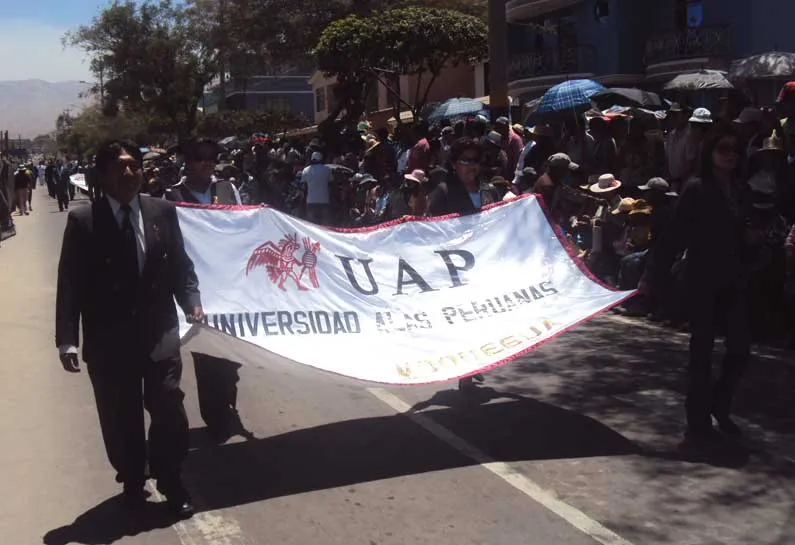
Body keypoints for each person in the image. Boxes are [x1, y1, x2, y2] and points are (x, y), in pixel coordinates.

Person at [56, 140, 203, 518]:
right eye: (120, 167)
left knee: (169, 406)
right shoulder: (84, 221)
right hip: (109, 339)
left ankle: (172, 480)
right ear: (101, 176)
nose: (129, 173)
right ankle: (134, 478)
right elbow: (70, 282)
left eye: (134, 166)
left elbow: (181, 267)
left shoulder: (162, 212)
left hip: (159, 333)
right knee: (120, 417)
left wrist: (192, 302)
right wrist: (68, 340)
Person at [642, 126, 751, 443]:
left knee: (740, 349)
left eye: (736, 149)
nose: (731, 154)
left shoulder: (740, 189)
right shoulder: (697, 189)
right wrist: (653, 275)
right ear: (711, 153)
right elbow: (674, 236)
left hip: (735, 279)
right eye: (724, 148)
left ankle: (720, 403)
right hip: (702, 279)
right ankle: (698, 421)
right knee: (701, 353)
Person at [165, 138, 245, 441]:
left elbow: (242, 226)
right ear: (188, 162)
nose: (207, 163)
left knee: (231, 355)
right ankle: (215, 415)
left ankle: (226, 401)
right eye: (200, 158)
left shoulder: (227, 190)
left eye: (212, 157)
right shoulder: (172, 196)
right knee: (206, 354)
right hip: (196, 287)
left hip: (229, 284)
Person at [301, 151, 333, 225]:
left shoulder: (306, 170)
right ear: (321, 159)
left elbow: (304, 187)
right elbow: (331, 183)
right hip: (324, 199)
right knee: (324, 224)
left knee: (311, 225)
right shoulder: (327, 169)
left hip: (310, 200)